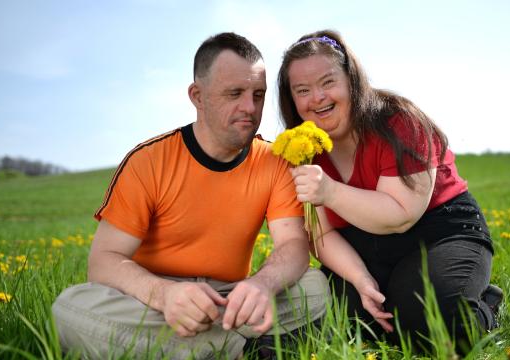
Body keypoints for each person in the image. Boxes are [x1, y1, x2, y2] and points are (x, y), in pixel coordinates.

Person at [52, 32, 329, 360]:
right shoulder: (148, 161)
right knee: (69, 309)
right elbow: (103, 261)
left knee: (315, 286)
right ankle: (239, 348)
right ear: (198, 96)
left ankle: (203, 349)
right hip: (152, 302)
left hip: (230, 299)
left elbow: (293, 246)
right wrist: (164, 294)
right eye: (234, 93)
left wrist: (261, 286)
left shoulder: (273, 161)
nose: (249, 107)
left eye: (258, 94)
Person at [277, 30, 503, 352]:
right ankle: (397, 296)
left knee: (436, 329)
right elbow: (320, 234)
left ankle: (485, 305)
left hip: (437, 232)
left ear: (351, 79)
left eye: (328, 82)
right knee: (349, 323)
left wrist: (328, 191)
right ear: (292, 100)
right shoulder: (301, 149)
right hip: (364, 247)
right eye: (303, 90)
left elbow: (401, 216)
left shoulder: (398, 120)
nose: (317, 98)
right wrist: (359, 279)